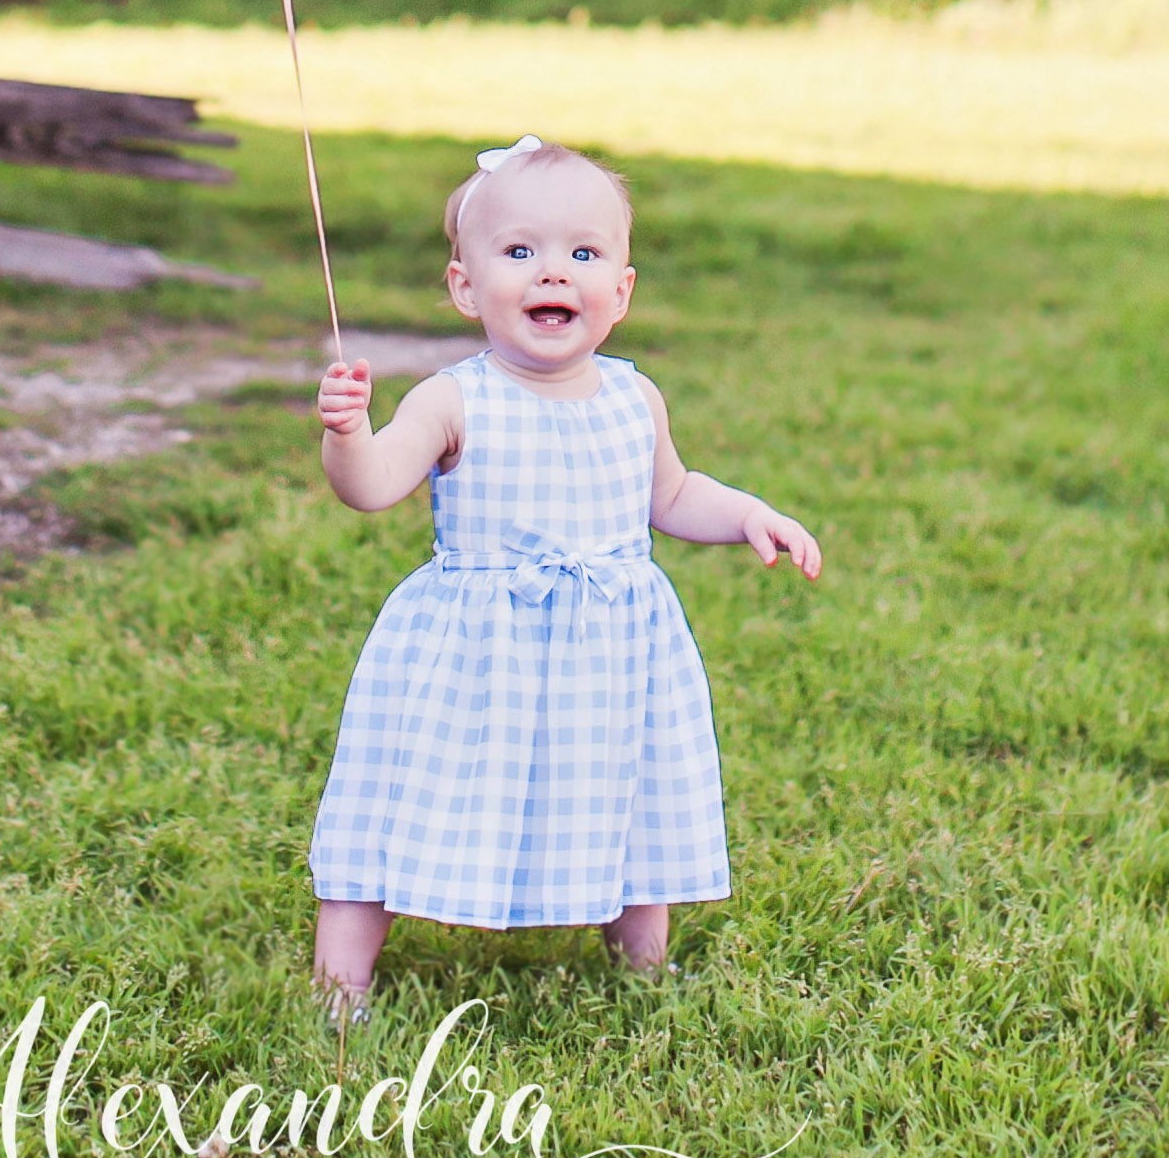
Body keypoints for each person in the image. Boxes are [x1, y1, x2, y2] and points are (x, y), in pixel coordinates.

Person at [307, 131, 822, 1007]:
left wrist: (745, 516)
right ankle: (340, 979)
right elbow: (373, 486)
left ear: (619, 290)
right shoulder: (453, 397)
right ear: (466, 286)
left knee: (630, 795)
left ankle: (642, 967)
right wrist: (348, 434)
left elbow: (673, 492)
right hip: (474, 655)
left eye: (583, 253)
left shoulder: (633, 394)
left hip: (611, 656)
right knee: (393, 800)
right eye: (519, 252)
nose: (553, 274)